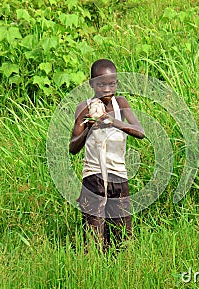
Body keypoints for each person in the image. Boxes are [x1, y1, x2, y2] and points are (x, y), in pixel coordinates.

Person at [69, 59, 145, 250]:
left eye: (111, 84)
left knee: (122, 234)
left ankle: (119, 270)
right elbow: (72, 147)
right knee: (94, 235)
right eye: (101, 84)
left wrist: (113, 122)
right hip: (93, 177)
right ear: (91, 84)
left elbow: (140, 132)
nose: (106, 89)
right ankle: (95, 269)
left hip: (118, 177)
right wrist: (89, 126)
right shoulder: (85, 107)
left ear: (117, 83)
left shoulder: (121, 104)